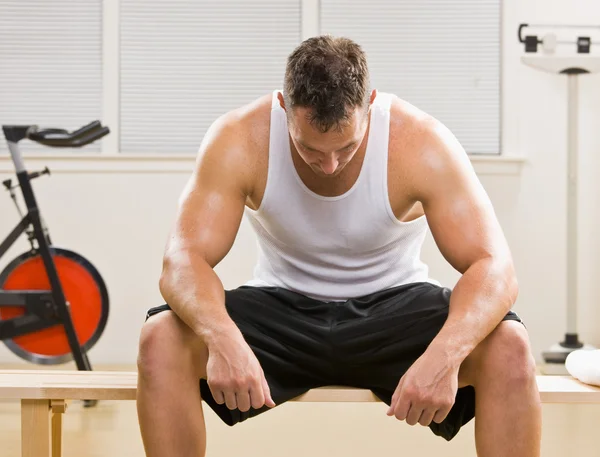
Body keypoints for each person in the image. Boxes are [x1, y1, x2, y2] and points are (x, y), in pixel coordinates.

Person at [136, 35, 542, 457]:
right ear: (283, 106)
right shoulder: (239, 138)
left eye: (346, 147)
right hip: (282, 307)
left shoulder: (421, 141)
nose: (329, 165)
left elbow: (494, 267)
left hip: (394, 308)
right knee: (161, 337)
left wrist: (445, 353)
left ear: (370, 103)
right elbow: (183, 260)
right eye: (310, 148)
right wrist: (221, 338)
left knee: (509, 345)